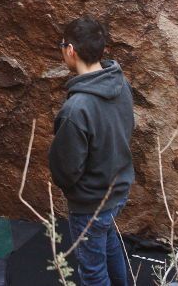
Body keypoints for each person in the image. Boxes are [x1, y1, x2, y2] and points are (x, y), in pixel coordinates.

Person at [48, 16, 135, 286]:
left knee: (92, 271)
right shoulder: (121, 85)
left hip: (90, 202)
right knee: (109, 244)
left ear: (70, 50)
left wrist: (73, 191)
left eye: (62, 46)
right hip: (117, 190)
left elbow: (66, 170)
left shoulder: (76, 109)